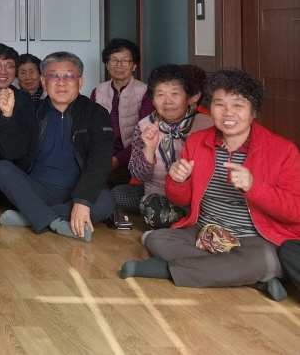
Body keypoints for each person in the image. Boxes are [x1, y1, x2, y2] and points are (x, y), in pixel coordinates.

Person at [121, 68, 300, 301]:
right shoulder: (198, 141)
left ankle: (165, 270)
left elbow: (295, 211)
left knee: (267, 258)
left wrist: (254, 187)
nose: (228, 113)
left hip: (254, 239)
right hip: (204, 232)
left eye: (238, 105)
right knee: (158, 239)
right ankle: (253, 279)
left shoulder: (282, 150)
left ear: (253, 111)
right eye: (219, 104)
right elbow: (181, 200)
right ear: (210, 107)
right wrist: (178, 181)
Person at [0, 51, 116, 242]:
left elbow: (100, 161)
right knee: (1, 168)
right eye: (54, 76)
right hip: (36, 190)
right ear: (44, 81)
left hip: (77, 190)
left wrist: (82, 201)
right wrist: (7, 116)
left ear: (80, 82)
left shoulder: (96, 114)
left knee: (106, 202)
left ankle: (31, 216)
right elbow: (11, 152)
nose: (61, 82)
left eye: (69, 76)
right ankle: (56, 221)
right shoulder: (29, 111)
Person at [112, 64, 213, 227]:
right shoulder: (145, 126)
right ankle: (185, 220)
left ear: (188, 98)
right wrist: (149, 150)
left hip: (199, 196)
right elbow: (139, 176)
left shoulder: (208, 125)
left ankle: (185, 218)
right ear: (152, 100)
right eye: (160, 95)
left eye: (175, 94)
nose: (168, 101)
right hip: (159, 194)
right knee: (118, 195)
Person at [90, 38, 153, 187]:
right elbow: (90, 129)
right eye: (113, 60)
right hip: (101, 156)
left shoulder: (145, 93)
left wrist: (117, 160)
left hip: (131, 158)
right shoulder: (98, 92)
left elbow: (145, 136)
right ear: (107, 64)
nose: (119, 66)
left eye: (125, 61)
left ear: (134, 65)